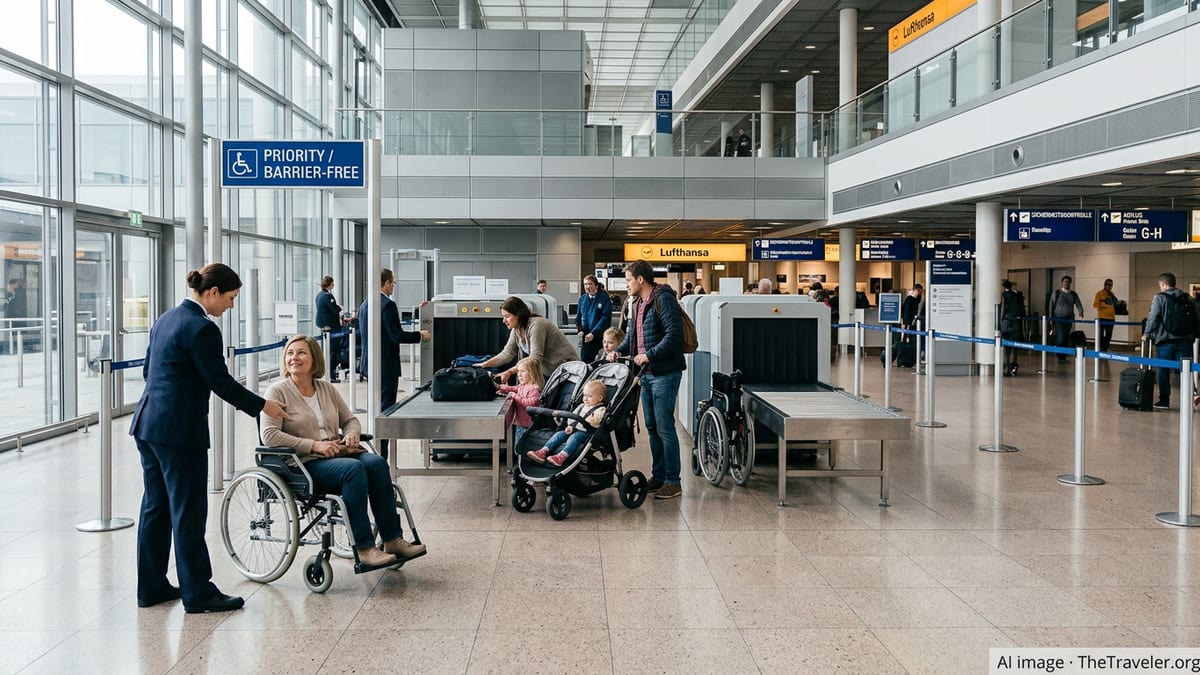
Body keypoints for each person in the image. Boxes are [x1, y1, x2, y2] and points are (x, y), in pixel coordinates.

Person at [129, 263, 289, 614]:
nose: (231, 307)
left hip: (148, 425)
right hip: (179, 433)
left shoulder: (166, 318)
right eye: (231, 298)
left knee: (156, 507)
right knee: (188, 511)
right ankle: (198, 592)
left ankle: (151, 585)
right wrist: (264, 406)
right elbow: (221, 382)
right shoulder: (202, 328)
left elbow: (147, 370)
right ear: (213, 293)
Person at [262, 335, 425, 567]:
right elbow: (270, 436)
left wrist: (351, 433)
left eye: (301, 353)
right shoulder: (277, 392)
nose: (294, 358)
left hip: (336, 453)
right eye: (290, 353)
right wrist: (315, 445)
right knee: (353, 469)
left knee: (377, 463)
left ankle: (392, 539)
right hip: (303, 463)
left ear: (314, 358)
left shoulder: (325, 388)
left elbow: (350, 420)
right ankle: (365, 547)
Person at [607, 260, 685, 499]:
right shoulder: (638, 303)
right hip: (647, 375)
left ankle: (674, 481)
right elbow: (631, 335)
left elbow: (674, 335)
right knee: (652, 427)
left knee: (665, 428)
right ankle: (659, 475)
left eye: (629, 279)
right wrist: (618, 351)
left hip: (664, 373)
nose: (626, 284)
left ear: (641, 279)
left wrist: (648, 355)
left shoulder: (664, 299)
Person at [358, 268, 430, 458]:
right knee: (385, 411)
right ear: (387, 283)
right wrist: (419, 335)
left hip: (371, 364)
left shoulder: (366, 303)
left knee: (376, 408)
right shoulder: (387, 305)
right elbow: (396, 335)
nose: (393, 287)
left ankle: (376, 452)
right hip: (386, 366)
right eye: (393, 283)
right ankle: (381, 456)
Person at [476, 296, 577, 383]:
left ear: (518, 315)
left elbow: (535, 358)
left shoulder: (536, 325)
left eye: (507, 316)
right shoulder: (517, 329)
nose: (504, 321)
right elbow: (507, 354)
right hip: (550, 372)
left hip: (566, 372)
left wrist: (510, 372)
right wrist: (484, 365)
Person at [1142, 272, 1197, 410]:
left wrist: (1146, 333)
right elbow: (1195, 318)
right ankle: (1193, 394)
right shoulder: (1187, 298)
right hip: (1185, 340)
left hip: (1165, 340)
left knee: (1163, 370)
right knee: (1184, 369)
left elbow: (1153, 317)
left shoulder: (1159, 298)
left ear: (1163, 284)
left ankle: (1164, 400)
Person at [525, 380, 608, 467]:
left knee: (575, 437)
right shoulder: (581, 406)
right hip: (574, 429)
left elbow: (596, 420)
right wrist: (570, 425)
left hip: (587, 432)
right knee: (559, 434)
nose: (585, 398)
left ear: (600, 398)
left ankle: (561, 457)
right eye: (584, 395)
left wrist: (589, 418)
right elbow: (572, 416)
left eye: (590, 396)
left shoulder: (601, 409)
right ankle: (543, 451)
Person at [499, 356, 543, 449]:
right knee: (518, 447)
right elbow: (513, 388)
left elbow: (530, 404)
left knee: (525, 448)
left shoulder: (535, 389)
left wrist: (514, 396)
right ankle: (520, 462)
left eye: (522, 371)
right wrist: (499, 387)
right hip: (520, 423)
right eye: (518, 371)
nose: (519, 374)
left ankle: (523, 463)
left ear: (532, 373)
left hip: (529, 425)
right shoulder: (523, 385)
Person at [576, 275, 612, 363]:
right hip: (586, 338)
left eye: (590, 284)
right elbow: (578, 317)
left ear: (596, 285)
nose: (587, 287)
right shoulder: (582, 299)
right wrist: (580, 330)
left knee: (599, 363)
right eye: (585, 284)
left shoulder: (604, 298)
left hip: (599, 337)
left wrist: (594, 333)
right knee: (585, 362)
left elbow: (605, 318)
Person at [314, 276, 344, 382]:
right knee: (333, 351)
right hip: (331, 326)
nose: (334, 285)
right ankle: (331, 374)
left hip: (324, 326)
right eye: (333, 283)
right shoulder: (328, 296)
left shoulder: (319, 295)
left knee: (327, 350)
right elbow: (335, 310)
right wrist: (339, 307)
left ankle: (327, 373)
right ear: (330, 284)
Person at [1049, 275, 1085, 364]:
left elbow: (1078, 303)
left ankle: (1063, 356)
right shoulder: (1056, 293)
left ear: (1070, 283)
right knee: (1061, 337)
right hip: (1058, 318)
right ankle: (1060, 356)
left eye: (1068, 282)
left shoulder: (1073, 294)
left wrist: (1081, 311)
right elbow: (1051, 305)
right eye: (1065, 281)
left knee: (1065, 337)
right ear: (1062, 283)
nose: (1066, 283)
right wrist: (1050, 318)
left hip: (1069, 319)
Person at [1000, 280, 1025, 376]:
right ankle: (1014, 366)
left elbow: (1002, 310)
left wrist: (1001, 321)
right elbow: (1022, 309)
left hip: (1007, 323)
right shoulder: (1017, 296)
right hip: (1016, 323)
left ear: (1003, 287)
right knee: (1015, 346)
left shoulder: (1004, 295)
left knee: (1007, 346)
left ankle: (1007, 367)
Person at [1093, 278, 1119, 352]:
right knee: (1100, 335)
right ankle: (1100, 349)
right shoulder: (1099, 293)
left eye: (1111, 285)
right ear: (1105, 285)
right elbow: (1095, 304)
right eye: (1108, 284)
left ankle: (1104, 349)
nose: (1109, 286)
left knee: (1108, 335)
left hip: (1111, 318)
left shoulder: (1112, 294)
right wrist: (1104, 306)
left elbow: (1116, 303)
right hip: (1102, 317)